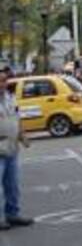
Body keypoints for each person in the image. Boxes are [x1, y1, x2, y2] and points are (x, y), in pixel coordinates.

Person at [0, 66, 33, 229]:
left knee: (12, 184)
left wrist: (23, 136)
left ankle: (12, 214)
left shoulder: (10, 97)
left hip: (11, 146)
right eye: (0, 81)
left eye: (4, 80)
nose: (2, 83)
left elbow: (16, 118)